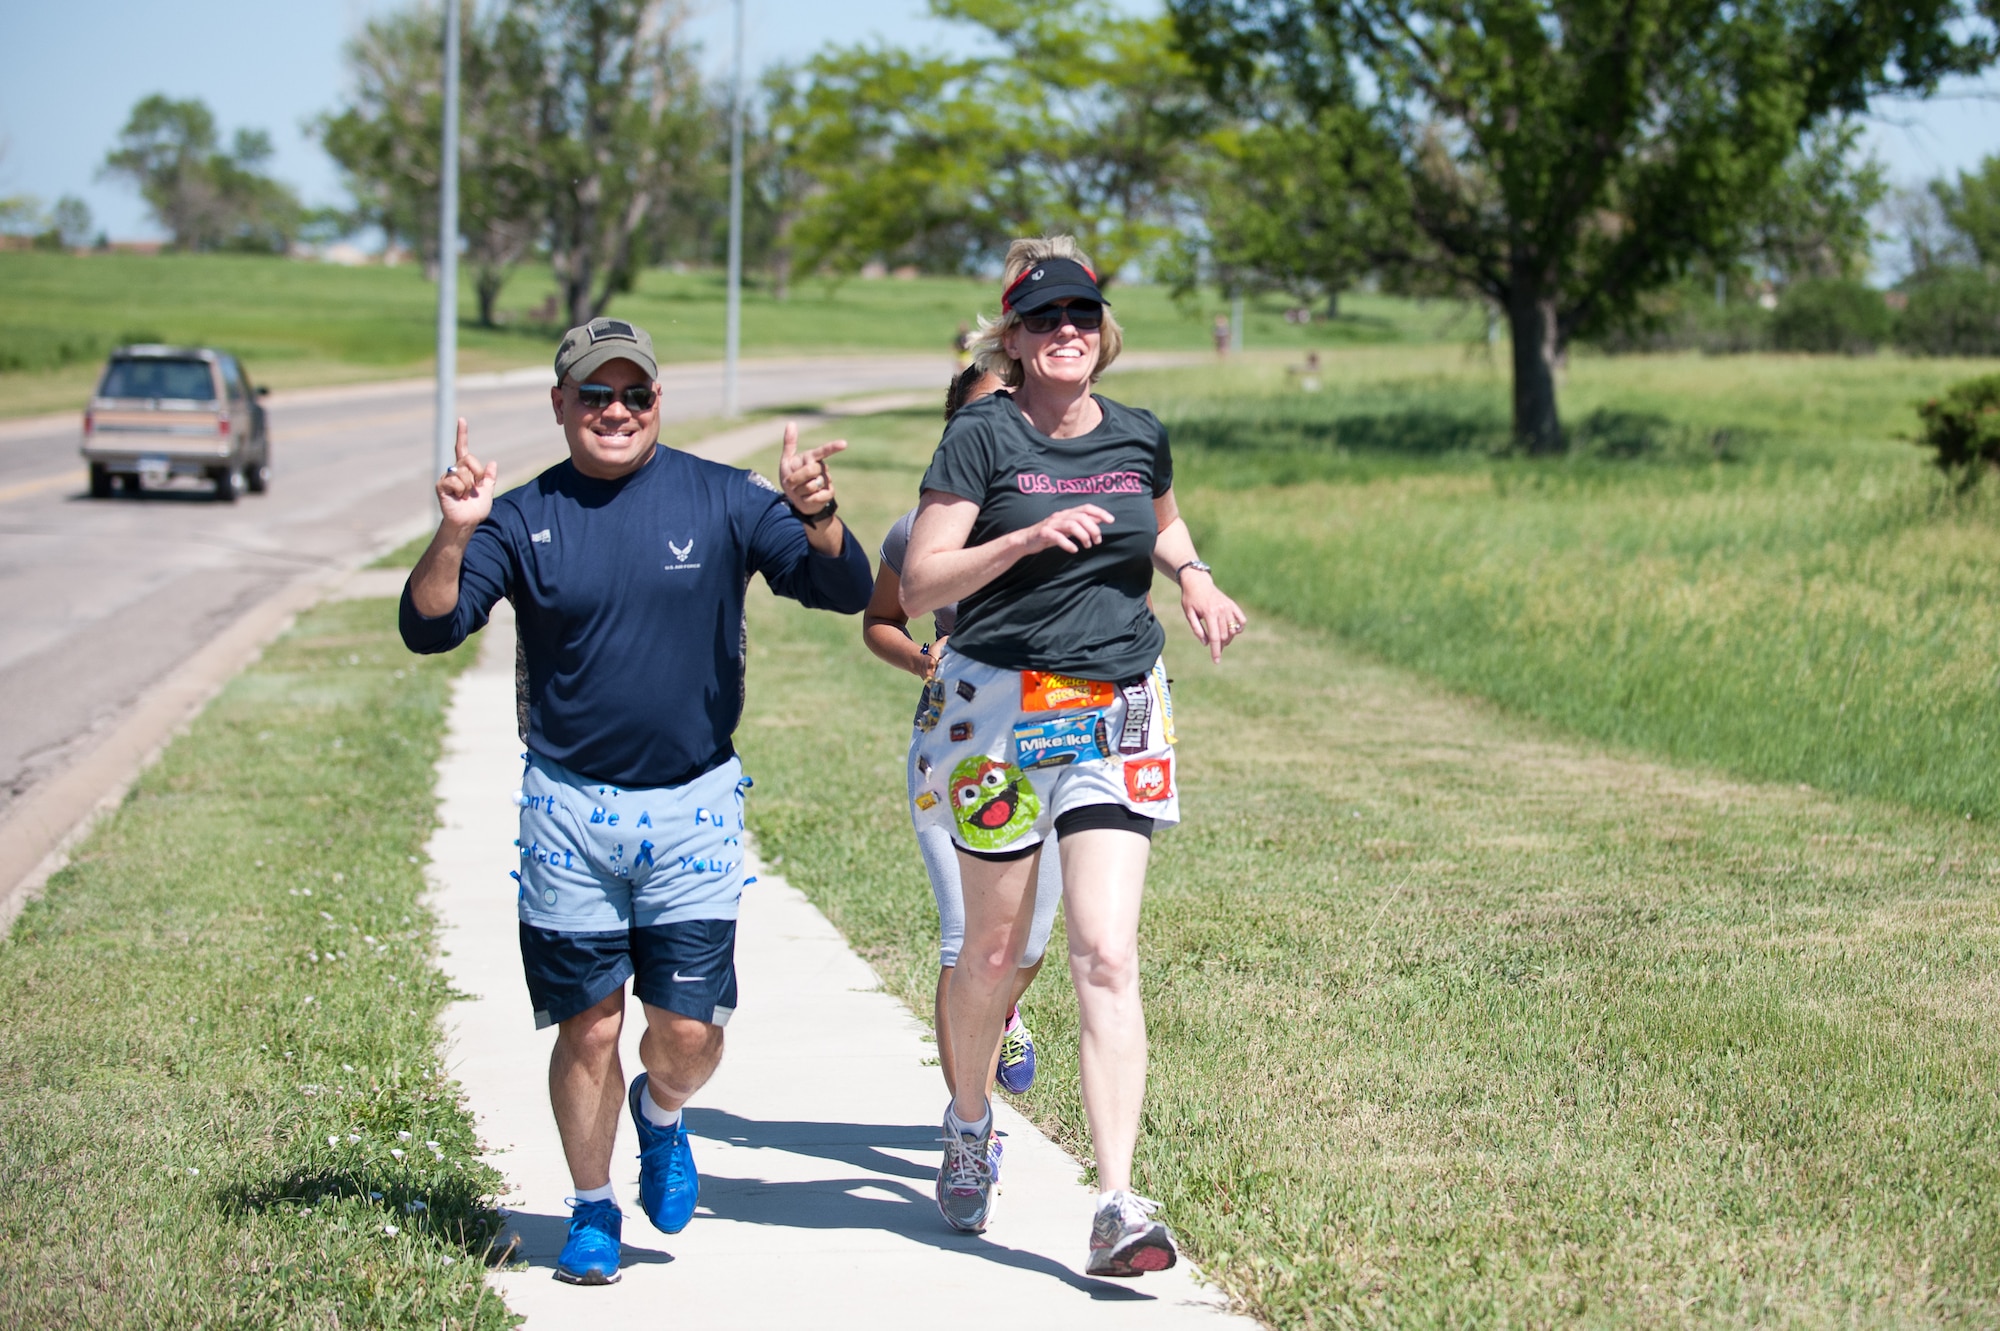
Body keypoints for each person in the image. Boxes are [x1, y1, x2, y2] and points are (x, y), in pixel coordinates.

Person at [398, 317, 871, 1287]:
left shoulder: (724, 497)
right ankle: (589, 1206)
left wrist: (817, 511)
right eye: (593, 394)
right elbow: (429, 627)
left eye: (634, 394)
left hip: (693, 807)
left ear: (660, 400)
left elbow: (840, 586)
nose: (615, 411)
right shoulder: (520, 516)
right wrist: (453, 529)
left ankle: (660, 1112)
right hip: (566, 807)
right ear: (560, 404)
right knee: (590, 1023)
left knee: (687, 1031)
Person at [900, 237, 1248, 1276]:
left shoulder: (1139, 435)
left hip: (1115, 710)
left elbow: (1164, 525)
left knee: (1104, 950)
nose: (1064, 332)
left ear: (1102, 333)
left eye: (1080, 317)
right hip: (994, 717)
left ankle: (1115, 1202)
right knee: (993, 957)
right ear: (1011, 336)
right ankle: (968, 1122)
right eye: (1043, 319)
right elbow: (920, 581)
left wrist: (1190, 575)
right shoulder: (980, 436)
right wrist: (1018, 540)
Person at [862, 365, 1061, 1108]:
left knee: (1028, 946)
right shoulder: (918, 532)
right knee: (966, 937)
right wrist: (922, 657)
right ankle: (970, 1128)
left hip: (1047, 744)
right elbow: (881, 619)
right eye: (983, 416)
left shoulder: (1063, 516)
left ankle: (1002, 1009)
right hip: (958, 747)